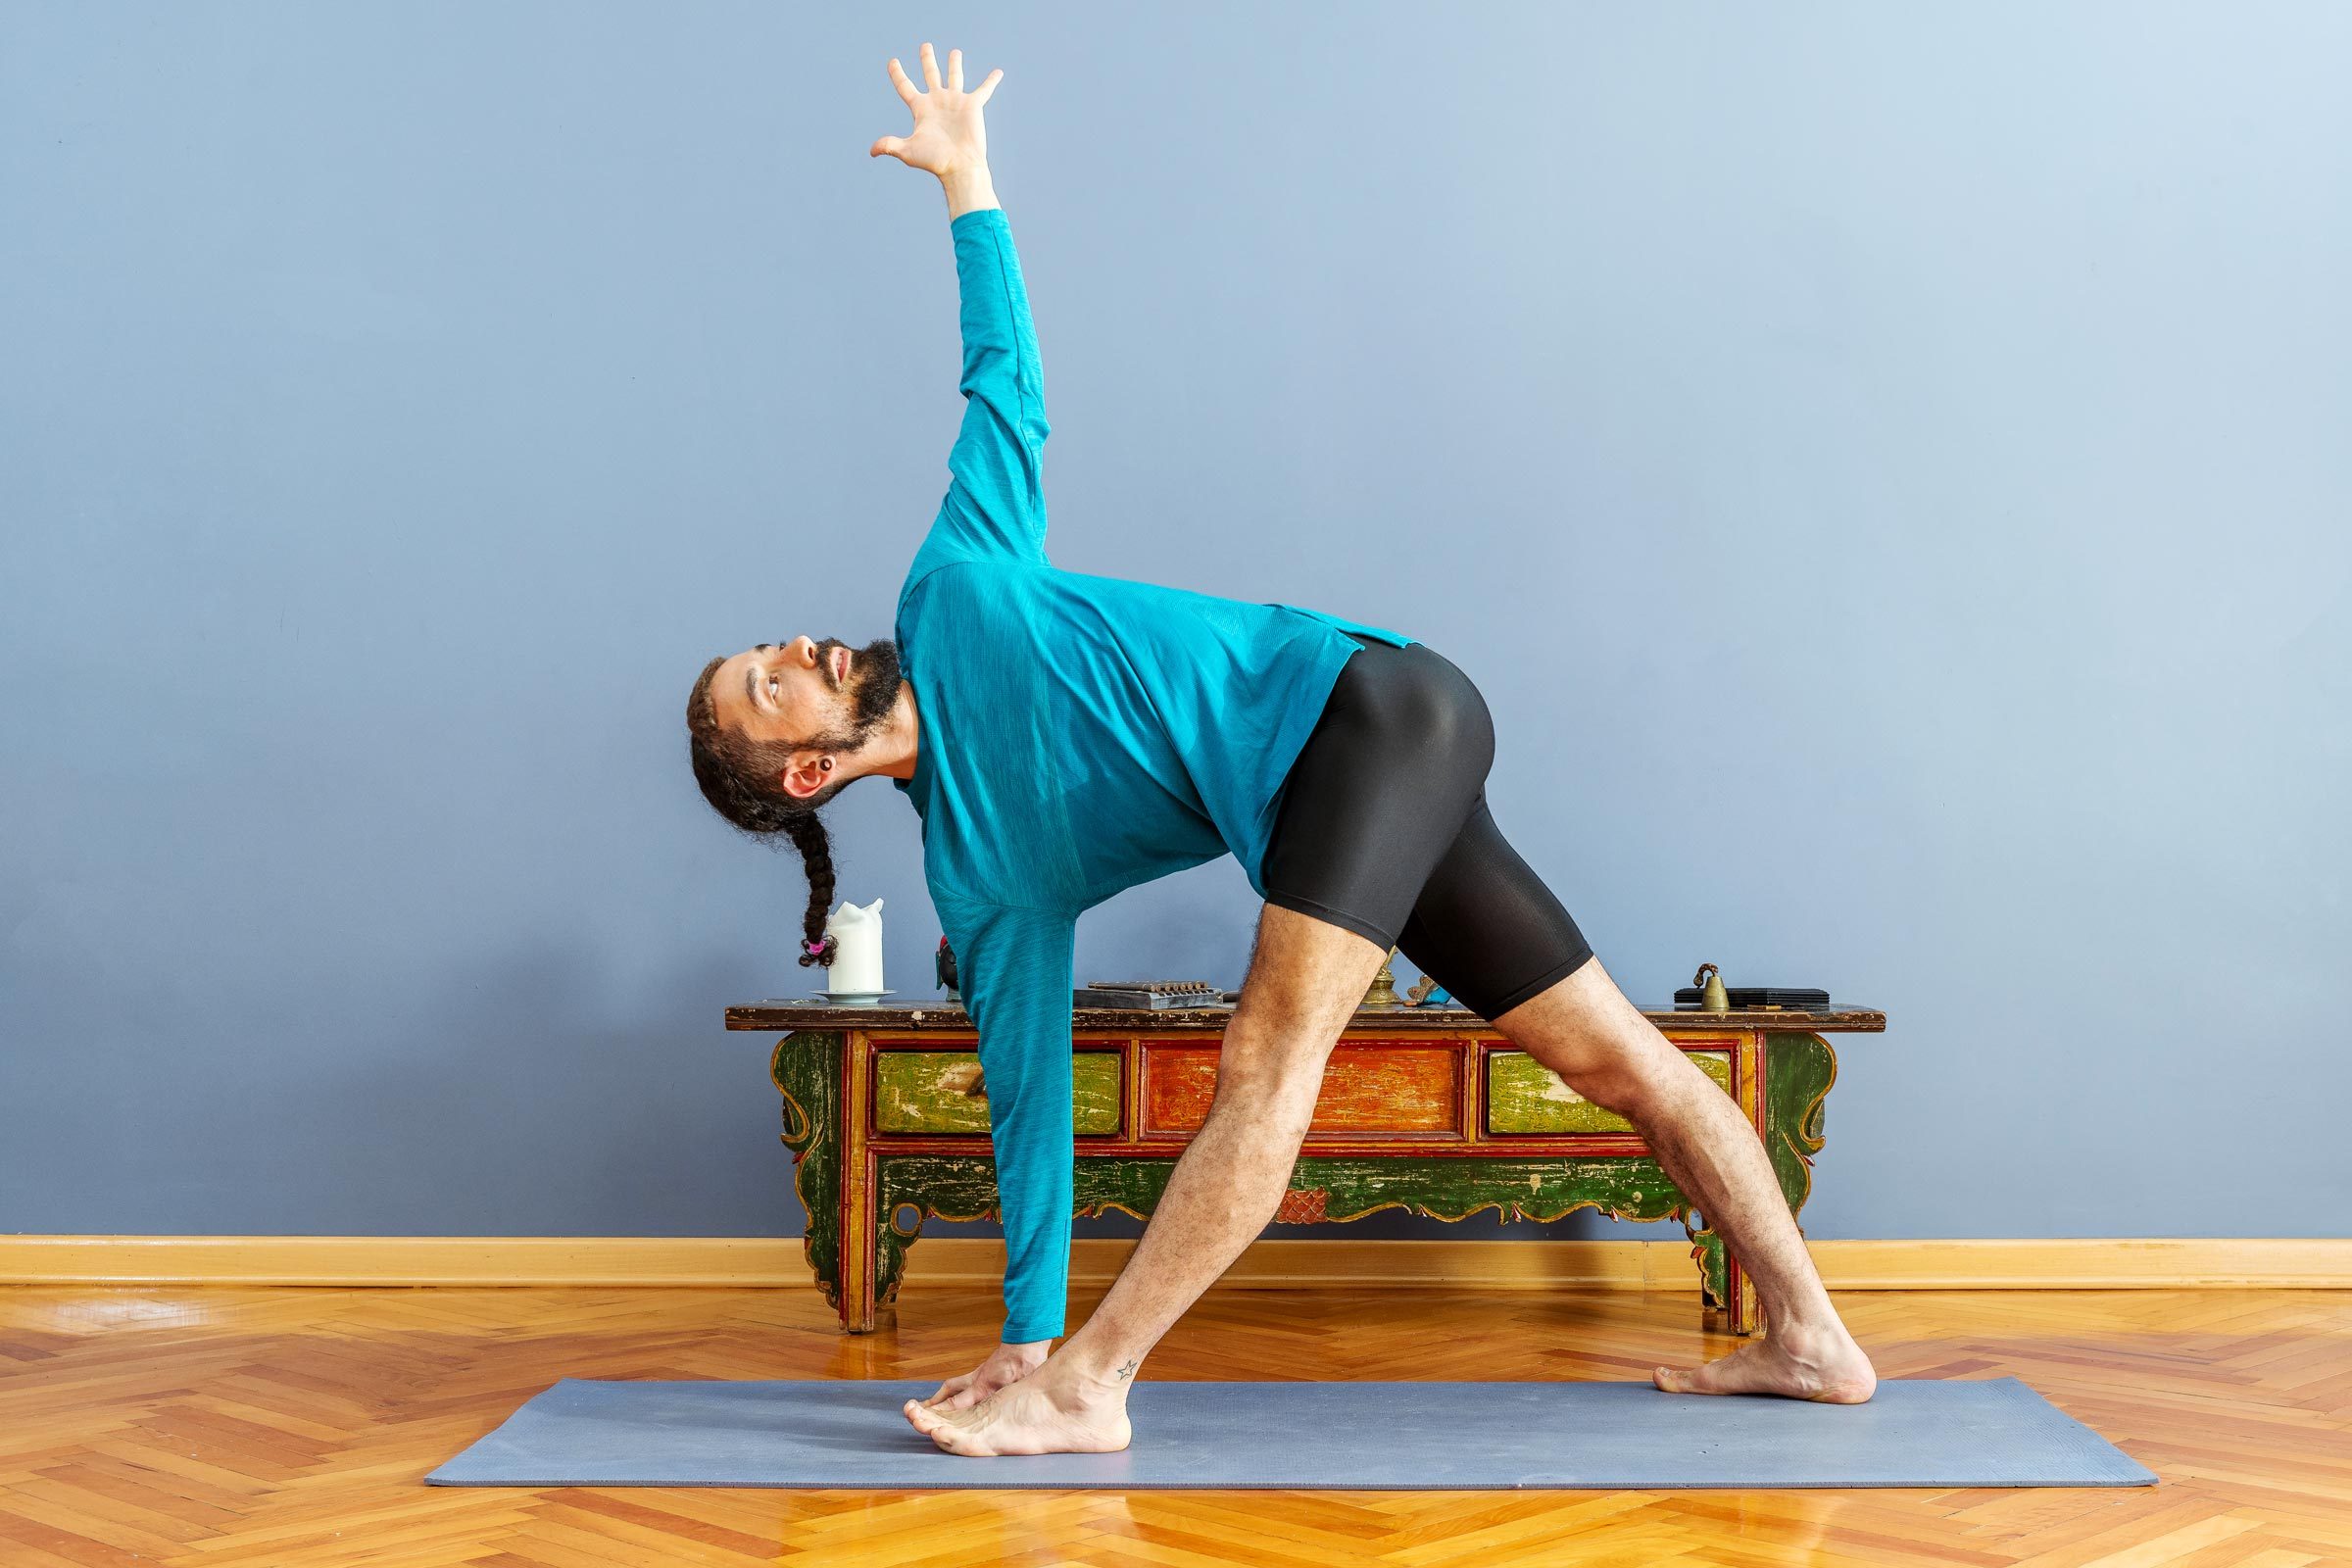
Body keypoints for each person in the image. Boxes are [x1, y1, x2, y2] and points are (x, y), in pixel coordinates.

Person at [683, 42, 1879, 1457]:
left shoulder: (948, 587)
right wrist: (1019, 1327)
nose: (803, 653)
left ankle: (1097, 1387)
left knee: (1269, 1053)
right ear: (804, 773)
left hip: (1368, 711)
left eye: (781, 648)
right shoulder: (985, 881)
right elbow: (1026, 1099)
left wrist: (968, 184)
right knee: (1619, 1057)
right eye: (771, 687)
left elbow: (1006, 387)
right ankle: (1813, 1336)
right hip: (1381, 766)